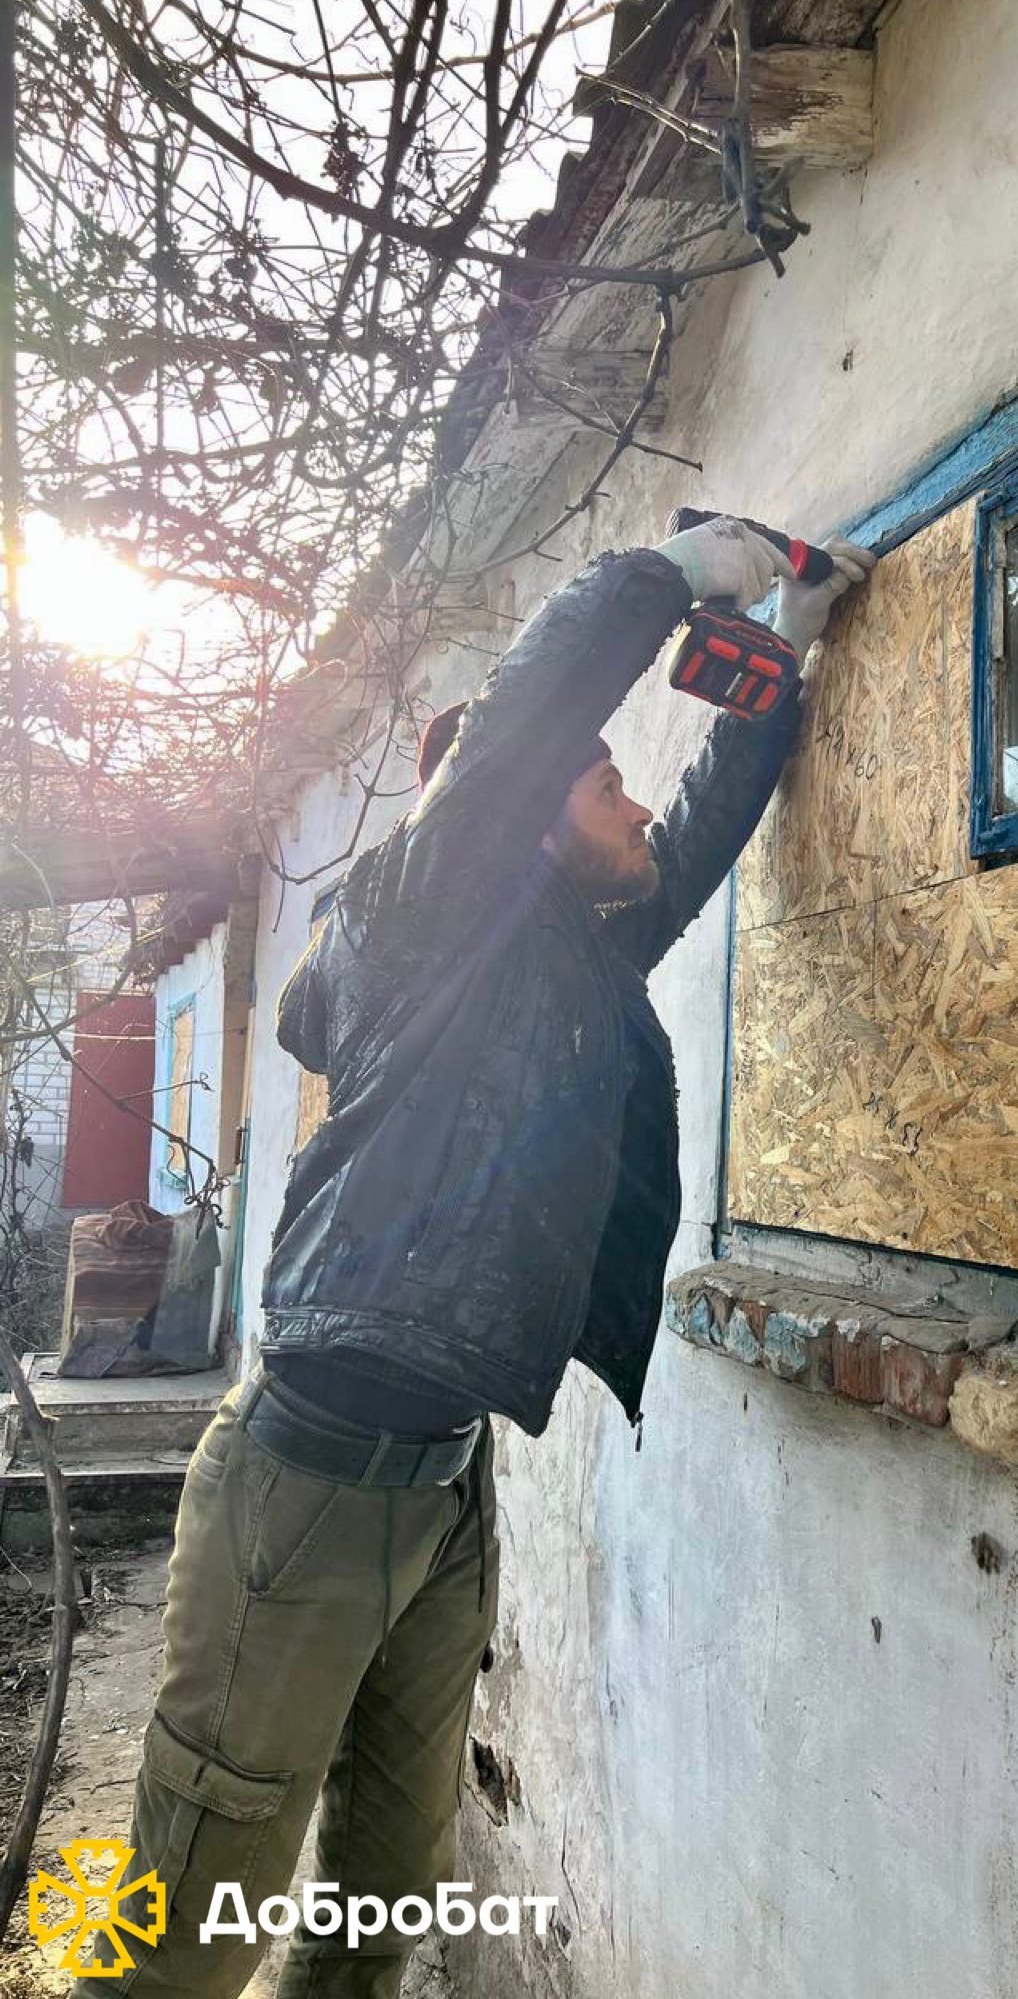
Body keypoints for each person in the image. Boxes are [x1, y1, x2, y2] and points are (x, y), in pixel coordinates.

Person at [87, 516, 875, 1998]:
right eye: (602, 780)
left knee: (385, 1887)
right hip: (306, 1487)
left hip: (448, 1483)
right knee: (192, 1907)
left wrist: (783, 655)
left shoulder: (576, 951)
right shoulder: (424, 908)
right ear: (507, 815)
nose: (631, 800)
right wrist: (683, 573)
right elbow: (525, 721)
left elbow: (692, 837)